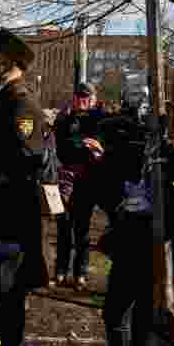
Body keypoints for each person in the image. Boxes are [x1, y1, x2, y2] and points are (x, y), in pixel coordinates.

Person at [0, 28, 50, 346]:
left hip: (11, 219)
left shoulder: (21, 102)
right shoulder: (1, 98)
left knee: (8, 298)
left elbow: (28, 163)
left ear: (7, 63)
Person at [54, 81, 106, 289]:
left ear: (93, 99)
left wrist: (96, 148)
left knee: (82, 229)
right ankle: (60, 270)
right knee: (63, 226)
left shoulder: (100, 120)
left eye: (86, 97)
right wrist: (81, 144)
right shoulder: (64, 118)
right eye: (78, 97)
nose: (81, 101)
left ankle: (80, 273)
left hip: (87, 180)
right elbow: (61, 146)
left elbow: (101, 147)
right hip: (66, 178)